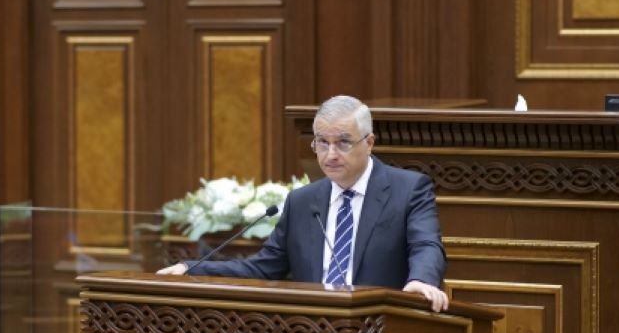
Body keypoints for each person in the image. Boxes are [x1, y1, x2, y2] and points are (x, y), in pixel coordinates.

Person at [158, 95, 449, 312]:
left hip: (381, 328)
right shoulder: (302, 201)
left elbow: (426, 245)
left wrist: (422, 280)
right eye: (322, 143)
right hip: (311, 331)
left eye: (343, 143)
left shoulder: (408, 189)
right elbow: (262, 268)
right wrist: (193, 269)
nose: (330, 154)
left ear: (369, 142)